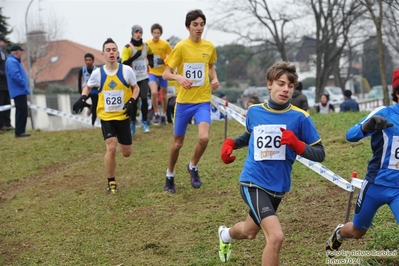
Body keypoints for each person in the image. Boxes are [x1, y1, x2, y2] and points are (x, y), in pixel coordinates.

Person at [218, 61, 325, 265]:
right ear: (269, 84)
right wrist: (231, 143)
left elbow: (320, 153)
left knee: (249, 232)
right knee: (275, 237)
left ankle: (225, 235)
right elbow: (250, 135)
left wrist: (297, 145)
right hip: (253, 181)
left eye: (290, 86)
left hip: (278, 187)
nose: (286, 89)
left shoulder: (300, 117)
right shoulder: (254, 111)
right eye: (281, 83)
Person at [325, 70, 399, 255]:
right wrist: (368, 126)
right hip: (375, 185)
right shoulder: (384, 113)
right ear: (397, 93)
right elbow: (350, 135)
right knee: (358, 231)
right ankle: (339, 233)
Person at [162, 9, 219, 193]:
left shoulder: (209, 47)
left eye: (202, 24)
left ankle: (193, 166)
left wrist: (215, 78)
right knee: (177, 144)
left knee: (204, 137)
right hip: (184, 103)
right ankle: (170, 174)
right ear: (188, 27)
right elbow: (166, 73)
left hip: (202, 100)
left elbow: (210, 66)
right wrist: (178, 78)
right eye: (195, 24)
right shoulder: (180, 47)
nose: (199, 28)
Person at [73, 38, 140, 194]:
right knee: (111, 148)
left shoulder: (126, 71)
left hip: (123, 116)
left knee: (126, 153)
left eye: (113, 49)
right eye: (108, 50)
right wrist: (83, 98)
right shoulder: (98, 73)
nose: (111, 52)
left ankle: (114, 174)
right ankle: (111, 182)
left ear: (117, 53)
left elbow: (136, 89)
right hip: (107, 116)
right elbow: (87, 87)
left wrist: (131, 101)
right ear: (103, 54)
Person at [121, 24, 154, 134]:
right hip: (132, 78)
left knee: (144, 99)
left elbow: (150, 54)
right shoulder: (127, 47)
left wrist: (152, 62)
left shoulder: (146, 46)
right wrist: (135, 56)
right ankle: (132, 123)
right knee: (134, 102)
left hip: (143, 76)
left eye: (140, 32)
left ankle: (144, 122)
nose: (138, 34)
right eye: (136, 32)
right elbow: (124, 63)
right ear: (132, 34)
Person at [146, 23, 172, 125]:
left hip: (163, 73)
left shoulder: (165, 44)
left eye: (158, 33)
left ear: (160, 34)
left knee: (164, 95)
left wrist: (164, 61)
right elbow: (143, 55)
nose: (156, 35)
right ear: (152, 33)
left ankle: (163, 114)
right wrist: (147, 61)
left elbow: (172, 56)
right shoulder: (147, 44)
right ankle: (156, 113)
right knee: (154, 93)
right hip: (152, 72)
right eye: (154, 33)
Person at [5, 45, 30, 138]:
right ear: (16, 52)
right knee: (22, 110)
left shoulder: (13, 61)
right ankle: (19, 131)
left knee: (21, 110)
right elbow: (15, 75)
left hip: (20, 90)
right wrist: (23, 83)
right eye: (21, 51)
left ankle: (20, 131)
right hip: (19, 90)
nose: (21, 53)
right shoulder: (12, 61)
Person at [77, 53, 99, 126]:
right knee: (81, 103)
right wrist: (80, 91)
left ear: (93, 61)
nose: (88, 62)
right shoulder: (82, 70)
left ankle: (93, 125)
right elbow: (79, 80)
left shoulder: (97, 70)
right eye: (86, 60)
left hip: (95, 91)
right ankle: (89, 106)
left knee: (95, 108)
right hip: (86, 90)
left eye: (89, 60)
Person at [0, 36, 13, 133]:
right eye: (5, 42)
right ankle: (1, 125)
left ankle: (7, 124)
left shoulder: (7, 53)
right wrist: (3, 74)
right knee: (1, 105)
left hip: (7, 85)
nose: (6, 44)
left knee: (7, 105)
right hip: (1, 84)